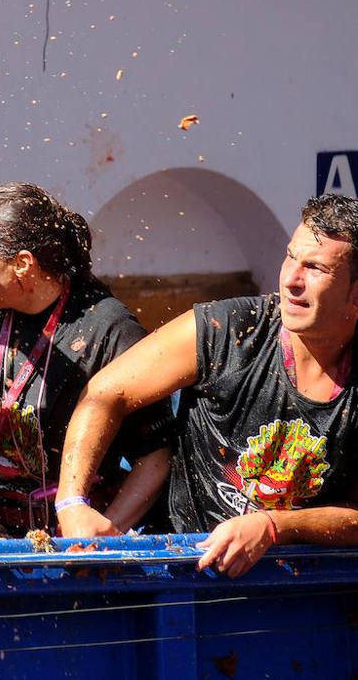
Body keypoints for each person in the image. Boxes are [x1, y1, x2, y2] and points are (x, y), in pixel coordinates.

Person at [57, 194, 358, 577]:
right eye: (289, 257)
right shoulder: (229, 328)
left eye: (315, 268)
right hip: (182, 570)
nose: (291, 279)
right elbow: (104, 394)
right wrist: (71, 503)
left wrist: (275, 527)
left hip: (298, 597)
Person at [0, 183, 173, 540]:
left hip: (65, 541)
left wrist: (104, 533)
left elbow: (155, 456)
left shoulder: (109, 330)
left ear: (23, 264)